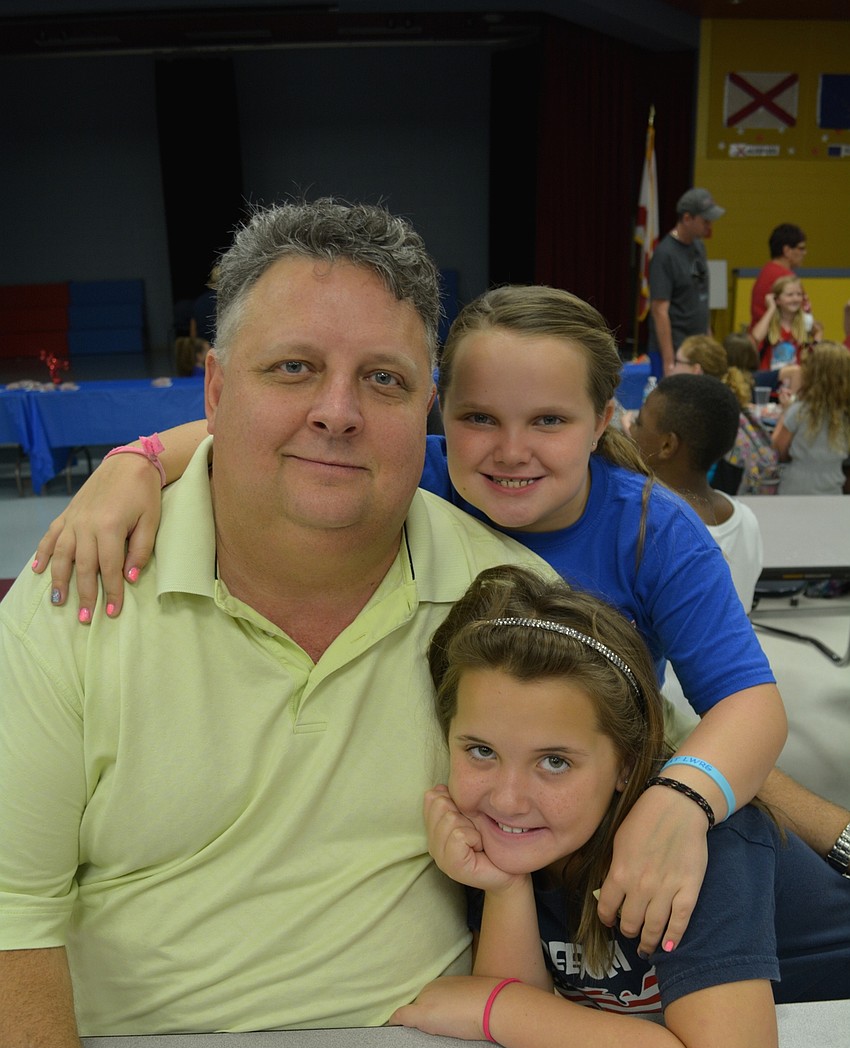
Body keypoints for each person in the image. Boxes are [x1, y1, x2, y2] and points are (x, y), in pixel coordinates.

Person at [0, 199, 565, 1048]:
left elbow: (673, 754)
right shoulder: (69, 599)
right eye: (293, 369)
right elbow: (8, 908)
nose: (339, 412)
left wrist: (755, 814)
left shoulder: (507, 604)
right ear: (214, 390)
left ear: (428, 408)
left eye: (385, 381)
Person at [34, 282, 793, 935]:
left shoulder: (652, 533)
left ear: (603, 422)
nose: (510, 449)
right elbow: (257, 429)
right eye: (479, 418)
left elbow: (751, 703)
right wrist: (134, 463)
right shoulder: (414, 477)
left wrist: (683, 800)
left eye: (549, 422)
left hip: (576, 839)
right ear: (438, 413)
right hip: (456, 827)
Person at [389, 565, 850, 1048]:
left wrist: (497, 1007)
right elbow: (523, 1029)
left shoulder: (703, 854)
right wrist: (504, 888)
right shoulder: (518, 836)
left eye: (555, 761)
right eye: (481, 751)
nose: (506, 798)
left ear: (629, 768)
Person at [629, 374, 763, 612]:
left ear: (667, 446)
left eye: (638, 423)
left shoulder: (644, 525)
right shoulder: (746, 520)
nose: (630, 429)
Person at [670, 333, 780, 498]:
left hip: (704, 502)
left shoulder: (697, 416)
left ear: (696, 370)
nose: (672, 368)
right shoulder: (726, 404)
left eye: (678, 362)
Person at [648, 187, 725, 380]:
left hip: (696, 346)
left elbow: (701, 295)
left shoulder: (699, 246)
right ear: (687, 218)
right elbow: (659, 310)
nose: (709, 226)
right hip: (676, 349)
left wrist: (708, 338)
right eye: (705, 221)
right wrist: (669, 360)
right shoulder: (665, 255)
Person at [772, 341, 850, 494]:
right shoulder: (845, 414)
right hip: (833, 488)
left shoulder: (800, 410)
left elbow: (778, 448)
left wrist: (784, 413)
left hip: (795, 488)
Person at [749, 274, 814, 374]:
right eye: (790, 295)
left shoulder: (807, 323)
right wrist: (771, 308)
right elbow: (755, 338)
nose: (795, 298)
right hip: (770, 380)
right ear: (777, 299)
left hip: (795, 381)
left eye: (799, 294)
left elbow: (812, 353)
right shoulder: (769, 322)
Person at [750, 223, 809, 327]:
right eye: (801, 248)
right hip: (778, 340)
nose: (805, 253)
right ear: (787, 251)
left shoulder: (767, 271)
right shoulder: (787, 278)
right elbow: (805, 317)